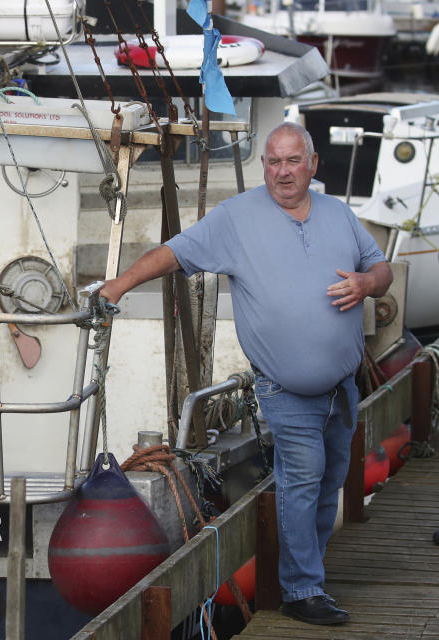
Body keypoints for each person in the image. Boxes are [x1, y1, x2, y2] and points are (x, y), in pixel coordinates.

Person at [100, 122, 393, 625]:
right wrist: (120, 284)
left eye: (293, 161)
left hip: (341, 391)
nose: (283, 172)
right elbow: (174, 252)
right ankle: (302, 591)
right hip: (287, 390)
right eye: (273, 161)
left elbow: (380, 267)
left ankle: (312, 574)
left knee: (327, 486)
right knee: (301, 483)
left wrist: (368, 283)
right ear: (264, 166)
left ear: (313, 164)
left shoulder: (338, 214)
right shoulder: (236, 218)